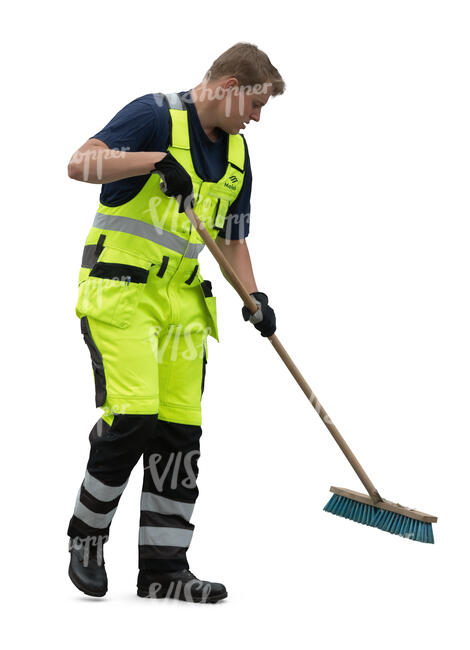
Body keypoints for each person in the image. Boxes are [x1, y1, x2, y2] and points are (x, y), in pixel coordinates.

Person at [66, 42, 285, 603]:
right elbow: (78, 163)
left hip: (184, 309)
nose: (257, 118)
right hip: (121, 293)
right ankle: (87, 535)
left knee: (179, 435)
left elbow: (233, 240)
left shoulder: (238, 157)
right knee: (132, 416)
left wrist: (255, 296)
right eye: (255, 105)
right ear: (230, 85)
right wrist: (153, 161)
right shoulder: (153, 114)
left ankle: (164, 568)